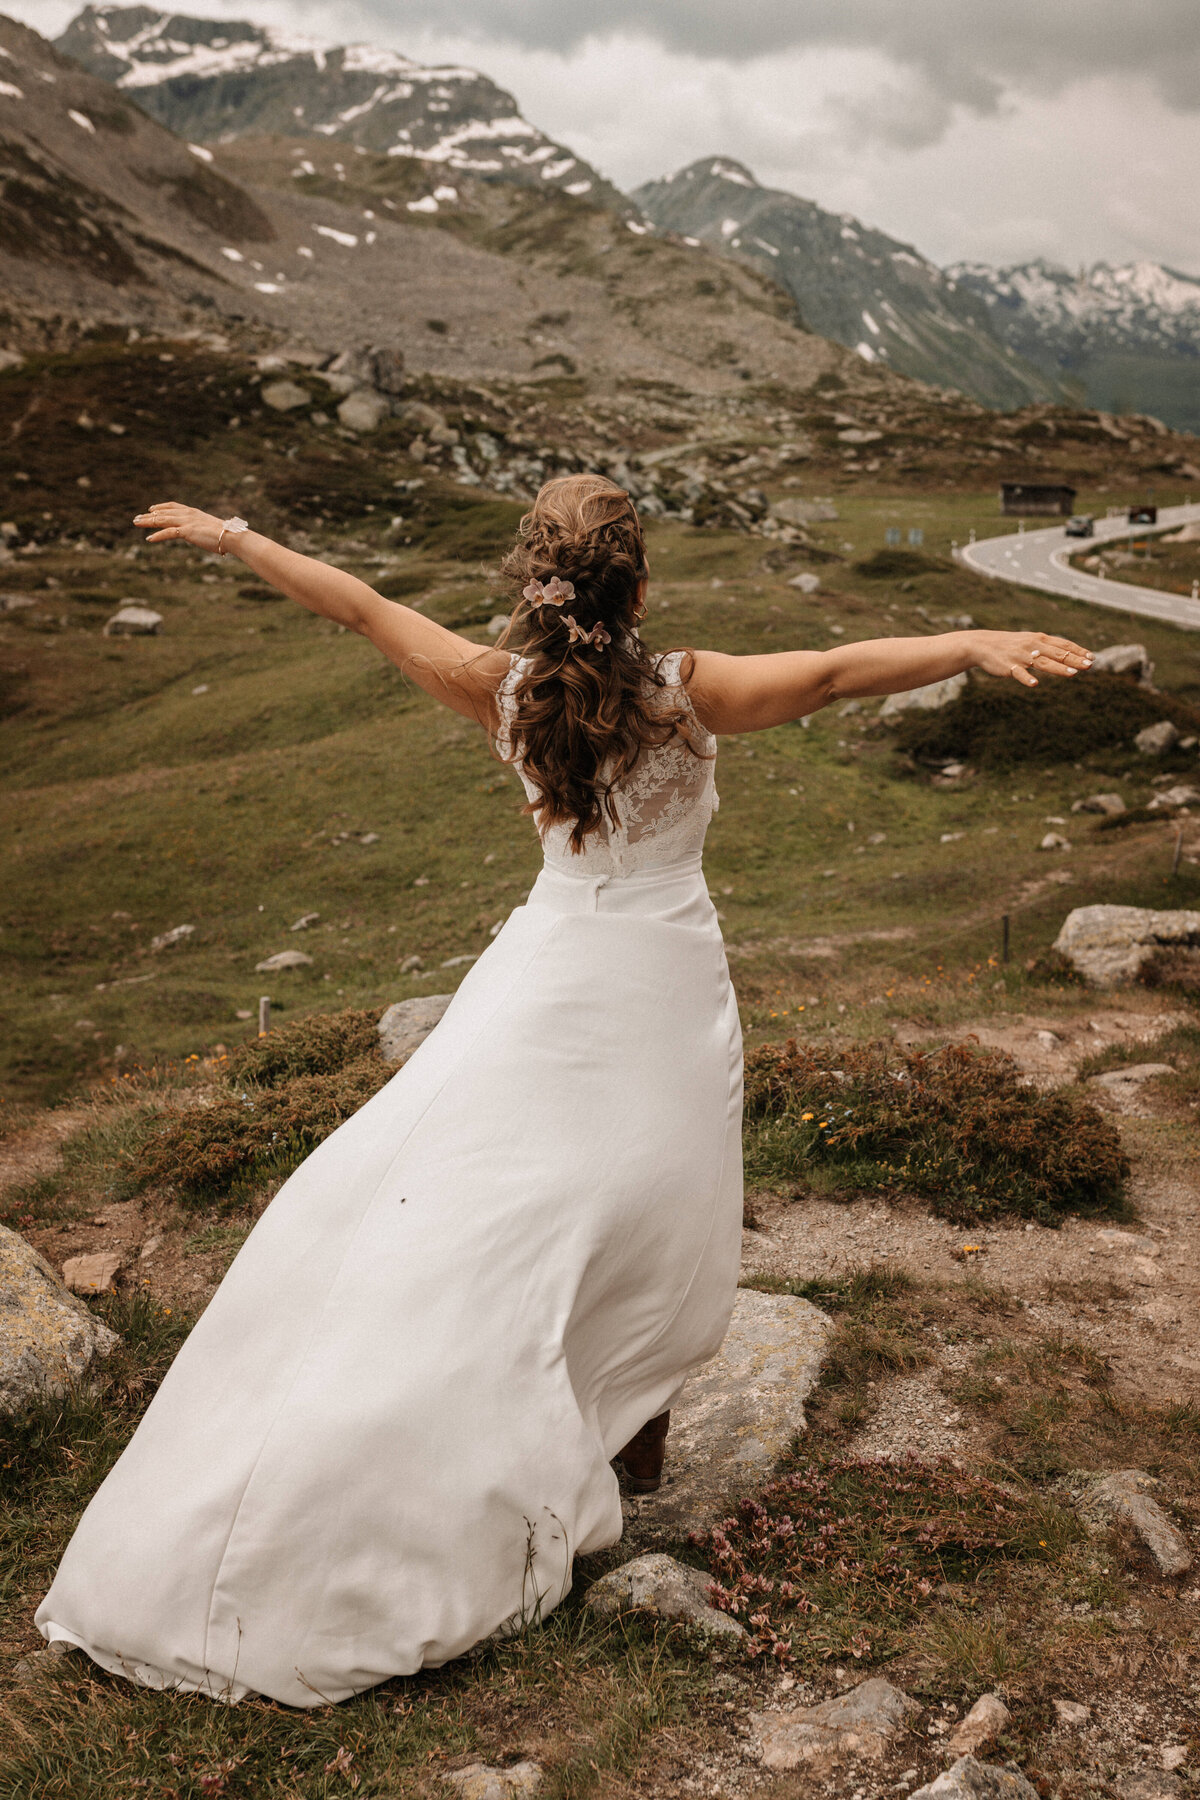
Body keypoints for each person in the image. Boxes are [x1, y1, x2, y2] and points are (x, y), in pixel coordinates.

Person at [36, 475, 1092, 1706]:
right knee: (655, 1205)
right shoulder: (683, 698)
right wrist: (971, 637)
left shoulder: (506, 689)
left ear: (538, 592)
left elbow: (364, 610)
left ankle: (425, 1448)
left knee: (480, 1204)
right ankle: (622, 1429)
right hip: (657, 988)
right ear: (636, 587)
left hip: (543, 972)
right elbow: (840, 672)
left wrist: (234, 535)